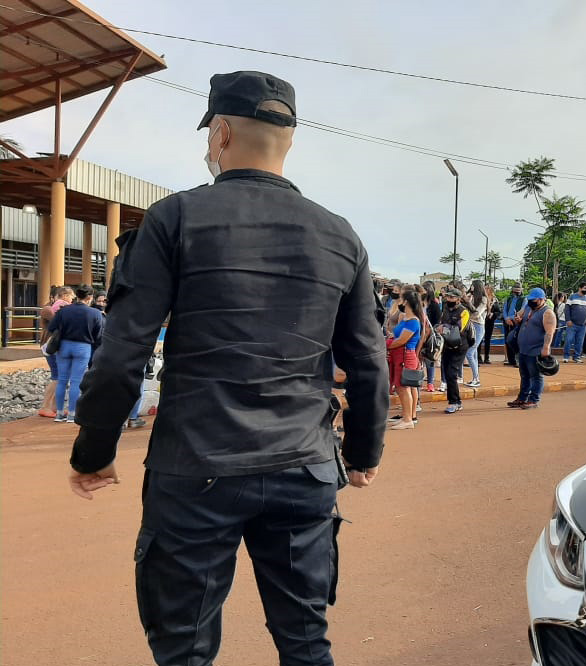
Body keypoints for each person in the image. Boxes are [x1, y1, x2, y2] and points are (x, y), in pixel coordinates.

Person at [68, 72, 388, 666]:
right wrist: (365, 452)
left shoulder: (174, 219)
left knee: (186, 647)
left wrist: (94, 451)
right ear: (288, 140)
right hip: (305, 466)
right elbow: (368, 361)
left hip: (196, 465)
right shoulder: (342, 236)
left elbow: (122, 356)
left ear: (220, 133)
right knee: (306, 640)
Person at [48, 285, 103, 423]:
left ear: (76, 296)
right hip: (83, 347)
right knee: (76, 381)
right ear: (89, 298)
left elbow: (51, 327)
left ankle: (59, 414)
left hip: (64, 346)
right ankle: (72, 414)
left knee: (62, 380)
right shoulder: (95, 313)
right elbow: (98, 336)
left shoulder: (64, 311)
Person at [507, 288, 556, 410]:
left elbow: (549, 332)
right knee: (524, 375)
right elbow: (519, 314)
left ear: (541, 299)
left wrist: (546, 348)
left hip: (535, 350)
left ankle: (533, 399)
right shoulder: (529, 308)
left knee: (535, 376)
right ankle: (522, 398)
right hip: (523, 349)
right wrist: (517, 319)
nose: (530, 302)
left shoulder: (547, 313)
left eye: (533, 300)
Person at [387, 289, 423, 430]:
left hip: (405, 355)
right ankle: (406, 416)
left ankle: (408, 419)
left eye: (402, 298)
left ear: (406, 301)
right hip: (400, 355)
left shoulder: (413, 321)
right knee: (401, 387)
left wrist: (387, 345)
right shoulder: (406, 318)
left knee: (403, 387)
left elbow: (401, 340)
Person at [38, 285, 74, 418]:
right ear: (62, 296)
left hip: (56, 346)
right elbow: (60, 322)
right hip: (51, 346)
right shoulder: (48, 309)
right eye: (71, 297)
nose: (72, 300)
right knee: (57, 376)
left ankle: (53, 407)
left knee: (60, 377)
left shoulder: (59, 308)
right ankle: (45, 406)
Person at [438, 287, 472, 413]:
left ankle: (455, 402)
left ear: (458, 299)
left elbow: (459, 328)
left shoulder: (464, 312)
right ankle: (453, 400)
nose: (449, 299)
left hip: (460, 346)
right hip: (447, 344)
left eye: (452, 297)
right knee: (447, 373)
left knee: (452, 373)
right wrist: (439, 327)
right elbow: (440, 322)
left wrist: (444, 327)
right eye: (447, 297)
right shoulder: (446, 309)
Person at [463, 279, 488, 388]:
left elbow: (477, 314)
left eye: (472, 286)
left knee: (470, 351)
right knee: (473, 354)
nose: (471, 287)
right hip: (470, 326)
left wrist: (468, 303)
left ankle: (477, 379)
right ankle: (475, 378)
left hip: (478, 326)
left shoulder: (483, 299)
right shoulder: (472, 297)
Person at [563, 283, 586, 364]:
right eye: (584, 288)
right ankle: (566, 356)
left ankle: (577, 357)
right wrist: (568, 320)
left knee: (580, 341)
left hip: (583, 325)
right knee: (569, 340)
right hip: (572, 324)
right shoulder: (572, 297)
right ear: (580, 288)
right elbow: (567, 309)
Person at [420, 282, 441, 392]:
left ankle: (430, 382)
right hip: (420, 333)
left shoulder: (434, 305)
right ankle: (420, 380)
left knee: (429, 359)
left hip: (430, 335)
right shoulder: (419, 304)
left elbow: (437, 321)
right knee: (419, 359)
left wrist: (429, 331)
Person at [502, 283, 525, 366]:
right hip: (507, 322)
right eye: (515, 290)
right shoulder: (508, 299)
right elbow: (504, 310)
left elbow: (523, 310)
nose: (516, 292)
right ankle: (510, 360)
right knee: (507, 340)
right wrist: (506, 318)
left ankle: (517, 360)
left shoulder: (524, 299)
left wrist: (511, 318)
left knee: (515, 340)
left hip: (516, 322)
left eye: (518, 290)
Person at [480, 285, 499, 365]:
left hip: (490, 322)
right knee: (480, 339)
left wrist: (493, 314)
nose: (486, 290)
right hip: (481, 321)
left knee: (488, 339)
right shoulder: (481, 298)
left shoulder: (495, 300)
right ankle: (478, 357)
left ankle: (487, 357)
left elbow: (498, 311)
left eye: (488, 288)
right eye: (485, 288)